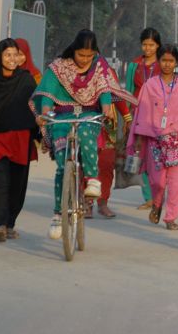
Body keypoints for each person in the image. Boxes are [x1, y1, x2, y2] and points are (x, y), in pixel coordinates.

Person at [30, 29, 131, 240]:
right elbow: (47, 93)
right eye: (81, 55)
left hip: (88, 116)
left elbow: (104, 91)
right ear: (73, 51)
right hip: (61, 117)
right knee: (61, 167)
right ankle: (58, 214)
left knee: (86, 135)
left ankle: (92, 180)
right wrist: (45, 114)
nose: (85, 60)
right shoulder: (58, 67)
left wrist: (105, 110)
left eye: (89, 55)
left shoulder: (99, 67)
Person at [0, 38, 38, 241]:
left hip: (21, 137)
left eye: (15, 54)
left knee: (17, 183)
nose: (12, 59)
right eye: (7, 55)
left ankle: (10, 223)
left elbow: (34, 108)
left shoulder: (26, 80)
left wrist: (40, 135)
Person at [128, 43, 178, 230]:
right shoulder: (150, 85)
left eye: (170, 61)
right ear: (159, 61)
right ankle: (156, 203)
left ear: (176, 62)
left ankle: (171, 217)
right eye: (163, 60)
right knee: (157, 181)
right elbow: (143, 112)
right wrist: (140, 138)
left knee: (177, 181)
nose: (166, 64)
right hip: (155, 140)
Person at [121, 27, 162, 211]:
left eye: (151, 45)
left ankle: (160, 193)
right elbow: (128, 91)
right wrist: (127, 118)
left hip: (160, 116)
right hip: (138, 115)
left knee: (159, 157)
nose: (147, 48)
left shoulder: (164, 63)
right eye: (144, 45)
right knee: (141, 155)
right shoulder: (134, 65)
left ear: (158, 45)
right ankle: (149, 197)